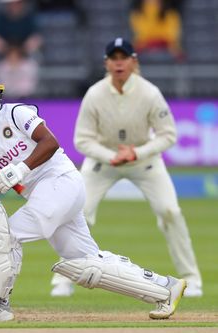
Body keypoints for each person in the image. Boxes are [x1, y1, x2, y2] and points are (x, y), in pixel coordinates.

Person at [0, 68, 187, 322]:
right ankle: (167, 288)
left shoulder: (15, 113)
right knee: (86, 264)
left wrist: (18, 169)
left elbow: (50, 142)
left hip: (60, 183)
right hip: (46, 196)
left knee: (5, 236)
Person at [50, 37, 202, 299]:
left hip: (143, 161)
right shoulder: (95, 94)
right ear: (107, 63)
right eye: (114, 58)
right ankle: (64, 278)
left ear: (134, 62)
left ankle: (191, 278)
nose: (119, 63)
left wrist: (136, 152)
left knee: (170, 211)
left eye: (124, 58)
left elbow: (168, 134)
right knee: (77, 213)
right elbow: (82, 140)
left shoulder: (149, 93)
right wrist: (111, 156)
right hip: (103, 162)